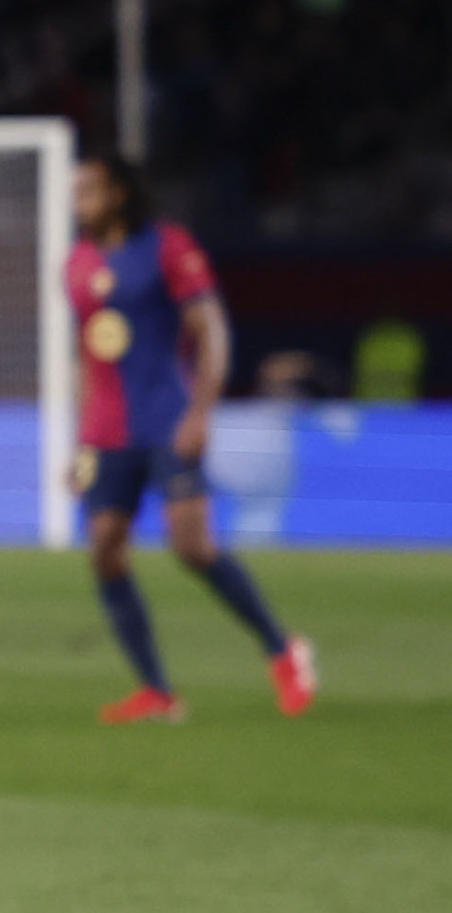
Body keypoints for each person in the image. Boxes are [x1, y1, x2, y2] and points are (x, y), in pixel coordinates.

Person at [68, 152, 317, 724]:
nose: (77, 200)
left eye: (88, 189)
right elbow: (87, 358)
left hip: (165, 421)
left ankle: (283, 650)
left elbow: (213, 329)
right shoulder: (76, 263)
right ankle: (157, 691)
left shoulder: (168, 247)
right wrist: (80, 442)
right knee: (105, 547)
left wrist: (202, 412)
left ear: (119, 194)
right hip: (106, 433)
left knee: (192, 547)